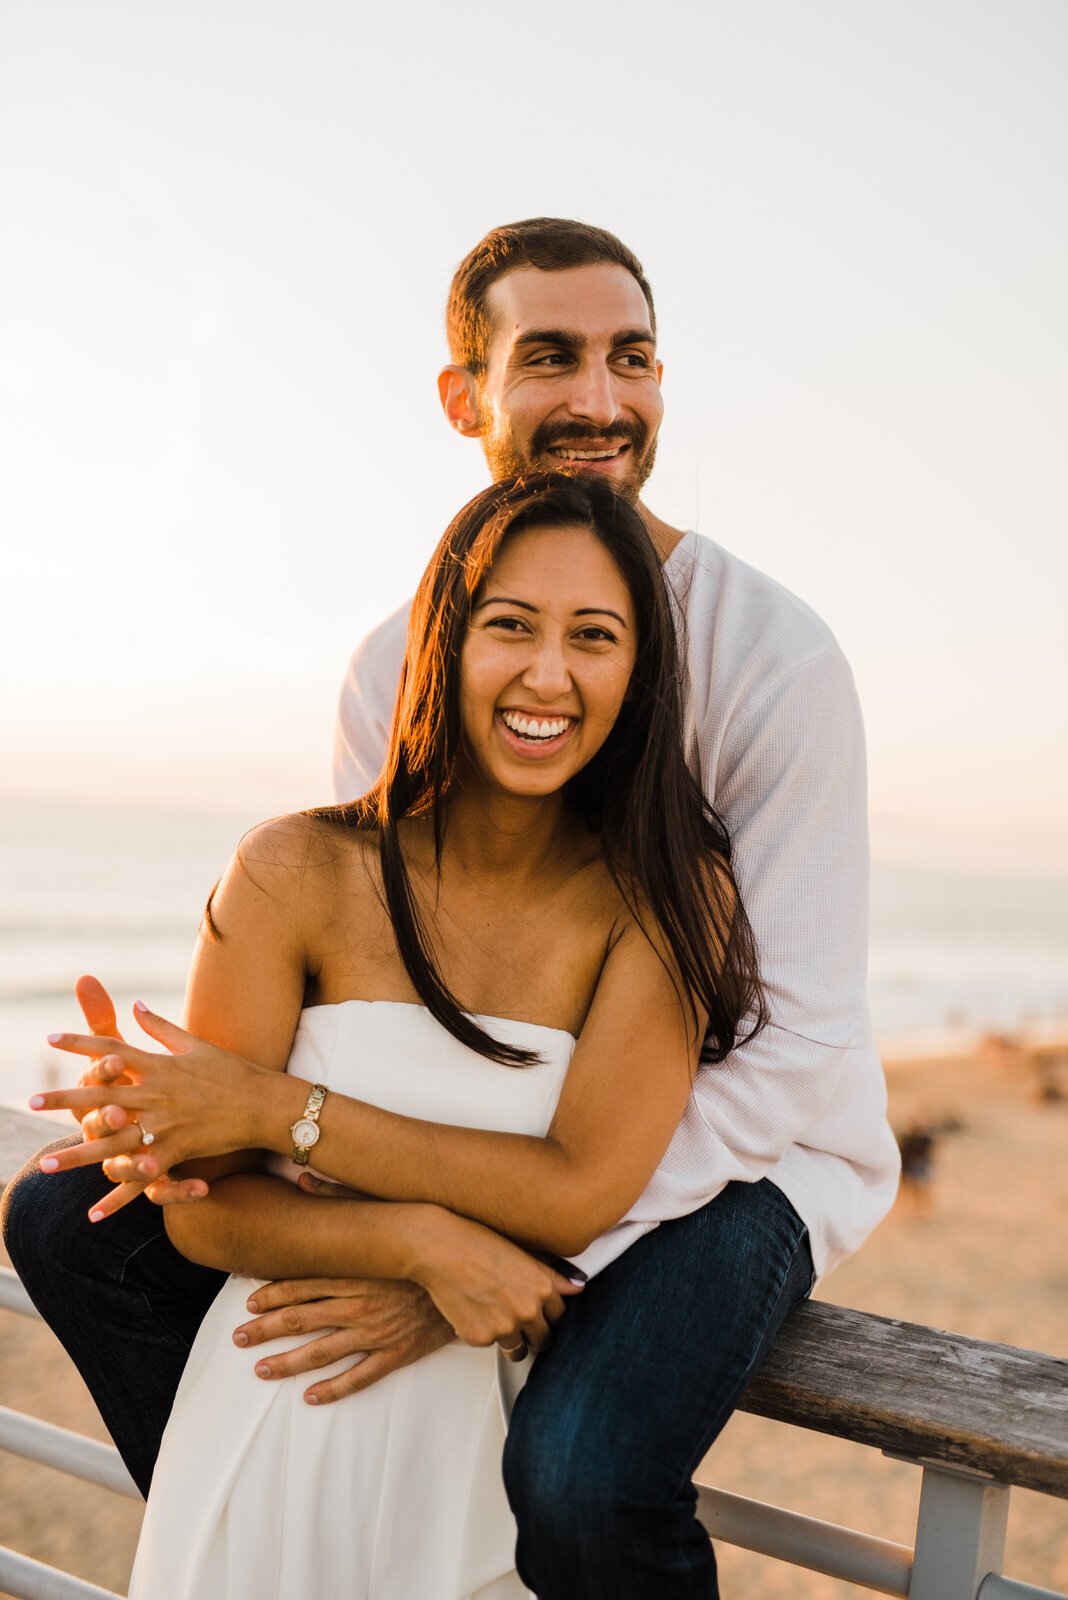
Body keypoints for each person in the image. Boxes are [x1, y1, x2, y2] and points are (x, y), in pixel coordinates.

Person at [4, 218, 900, 1598]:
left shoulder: (775, 659)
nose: (601, 402)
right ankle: (266, 1510)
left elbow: (789, 1054)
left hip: (747, 1160)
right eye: (551, 359)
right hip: (514, 1125)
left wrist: (477, 1259)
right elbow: (406, 965)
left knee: (583, 1466)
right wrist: (208, 1109)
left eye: (633, 359)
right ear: (464, 395)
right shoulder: (393, 669)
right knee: (75, 1225)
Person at [29, 473, 763, 1599]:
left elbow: (575, 1192)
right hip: (275, 1412)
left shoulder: (669, 897)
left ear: (641, 670)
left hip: (488, 1462)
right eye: (509, 625)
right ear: (445, 639)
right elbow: (202, 1214)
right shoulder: (292, 871)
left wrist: (282, 1112)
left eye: (595, 637)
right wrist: (420, 1241)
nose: (548, 674)